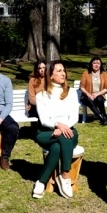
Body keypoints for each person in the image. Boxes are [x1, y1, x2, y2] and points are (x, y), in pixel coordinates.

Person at [32, 60, 80, 199]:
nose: (63, 73)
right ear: (50, 75)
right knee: (60, 142)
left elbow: (74, 116)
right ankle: (65, 176)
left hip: (69, 131)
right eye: (59, 71)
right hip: (45, 132)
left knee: (57, 147)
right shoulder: (41, 95)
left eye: (64, 70)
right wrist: (57, 125)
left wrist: (63, 127)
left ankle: (44, 181)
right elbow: (44, 119)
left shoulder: (71, 93)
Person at [78, 56, 107, 125]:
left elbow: (106, 88)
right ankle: (103, 118)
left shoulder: (104, 74)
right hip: (86, 96)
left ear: (100, 64)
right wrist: (89, 94)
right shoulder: (86, 73)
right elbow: (82, 87)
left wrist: (97, 94)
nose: (96, 65)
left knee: (99, 99)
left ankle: (104, 117)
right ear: (91, 64)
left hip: (98, 95)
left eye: (98, 63)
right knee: (89, 100)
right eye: (94, 63)